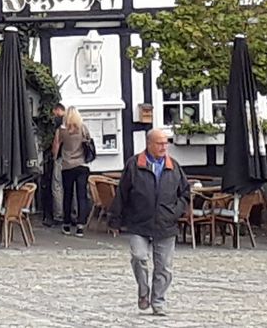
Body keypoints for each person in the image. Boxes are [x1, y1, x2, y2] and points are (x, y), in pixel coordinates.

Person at [113, 128, 187, 318]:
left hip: (166, 224)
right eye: (160, 143)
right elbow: (122, 193)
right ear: (149, 144)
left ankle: (158, 302)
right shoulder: (134, 165)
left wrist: (175, 212)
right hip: (139, 223)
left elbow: (185, 193)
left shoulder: (174, 166)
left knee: (164, 267)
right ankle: (143, 290)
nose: (164, 147)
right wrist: (115, 219)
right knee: (139, 257)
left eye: (166, 143)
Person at [52, 106, 96, 236]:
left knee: (68, 195)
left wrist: (55, 158)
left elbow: (56, 146)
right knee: (81, 195)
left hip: (67, 166)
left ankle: (66, 224)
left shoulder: (61, 130)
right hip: (82, 165)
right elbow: (89, 142)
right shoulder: (83, 128)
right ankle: (80, 226)